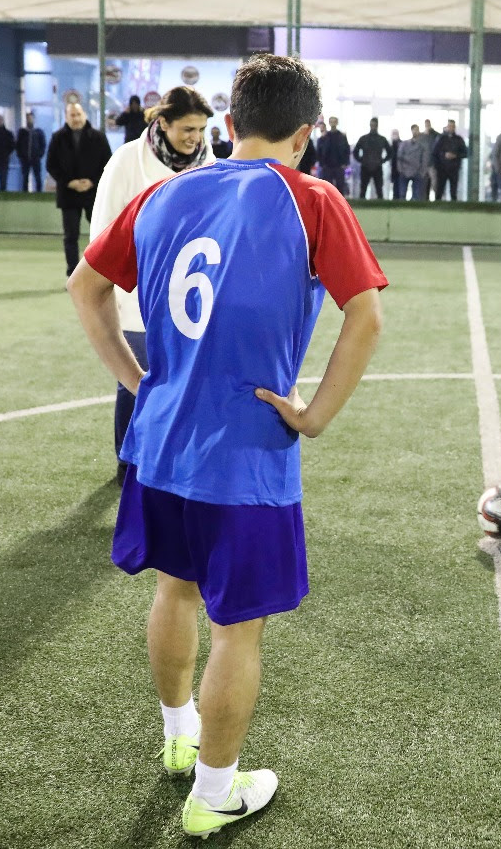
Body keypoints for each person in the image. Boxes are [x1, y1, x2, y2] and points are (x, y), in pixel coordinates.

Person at [68, 53, 386, 839]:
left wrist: (137, 379)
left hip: (162, 442)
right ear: (306, 135)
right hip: (244, 457)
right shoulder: (313, 197)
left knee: (174, 589)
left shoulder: (165, 191)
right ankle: (212, 791)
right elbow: (366, 317)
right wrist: (312, 418)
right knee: (237, 627)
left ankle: (180, 738)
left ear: (230, 125)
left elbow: (85, 284)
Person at [89, 85, 215, 475]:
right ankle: (128, 465)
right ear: (163, 123)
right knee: (137, 378)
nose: (194, 138)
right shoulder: (127, 160)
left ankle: (171, 462)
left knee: (186, 380)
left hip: (192, 294)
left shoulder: (209, 163)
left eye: (200, 130)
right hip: (138, 294)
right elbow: (104, 228)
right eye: (187, 129)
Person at [47, 101, 113, 277]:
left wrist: (92, 182)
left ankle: (102, 273)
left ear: (84, 115)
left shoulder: (99, 137)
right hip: (68, 195)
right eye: (72, 115)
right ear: (66, 117)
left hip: (94, 194)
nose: (75, 118)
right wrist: (69, 182)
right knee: (71, 237)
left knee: (101, 235)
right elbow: (51, 165)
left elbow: (109, 164)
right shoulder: (57, 138)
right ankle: (73, 274)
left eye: (78, 114)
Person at [353, 118, 390, 199]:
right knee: (363, 189)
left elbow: (390, 153)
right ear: (370, 125)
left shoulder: (382, 139)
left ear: (377, 126)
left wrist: (382, 161)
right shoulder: (363, 138)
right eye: (372, 125)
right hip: (365, 166)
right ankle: (361, 207)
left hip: (377, 166)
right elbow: (355, 152)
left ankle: (381, 207)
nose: (373, 127)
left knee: (379, 189)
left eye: (375, 125)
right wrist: (361, 160)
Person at [433, 119, 468, 201]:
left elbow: (465, 153)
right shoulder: (441, 139)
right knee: (440, 189)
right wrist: (443, 156)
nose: (451, 128)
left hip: (454, 169)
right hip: (442, 169)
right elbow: (435, 153)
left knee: (453, 190)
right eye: (449, 126)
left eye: (452, 126)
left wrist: (455, 156)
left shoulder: (459, 140)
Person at [316, 115, 350, 196]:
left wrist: (345, 163)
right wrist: (322, 164)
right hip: (327, 166)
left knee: (340, 187)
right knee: (328, 187)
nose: (333, 123)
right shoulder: (324, 137)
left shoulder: (342, 137)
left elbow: (347, 150)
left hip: (339, 165)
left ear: (337, 123)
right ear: (329, 123)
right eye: (331, 122)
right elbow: (319, 152)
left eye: (334, 122)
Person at [395, 124, 430, 201]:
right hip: (404, 171)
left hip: (417, 172)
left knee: (416, 195)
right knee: (402, 194)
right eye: (414, 130)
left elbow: (424, 159)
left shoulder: (422, 146)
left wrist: (422, 172)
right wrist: (400, 170)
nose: (415, 132)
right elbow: (399, 157)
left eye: (417, 130)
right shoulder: (404, 144)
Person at [16, 111, 47, 193]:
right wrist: (20, 155)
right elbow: (18, 145)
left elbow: (43, 144)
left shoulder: (38, 132)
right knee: (25, 177)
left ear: (34, 119)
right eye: (28, 118)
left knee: (37, 177)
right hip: (25, 159)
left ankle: (39, 194)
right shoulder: (22, 132)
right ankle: (25, 194)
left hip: (35, 159)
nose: (29, 120)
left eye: (31, 118)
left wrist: (39, 155)